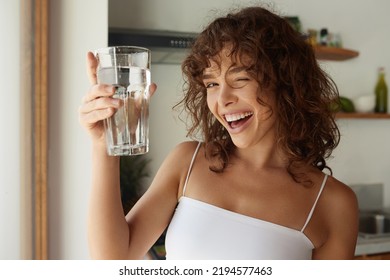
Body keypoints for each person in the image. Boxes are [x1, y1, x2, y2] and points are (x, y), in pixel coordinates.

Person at [79, 6, 358, 260]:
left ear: (287, 86)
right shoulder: (188, 161)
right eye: (211, 84)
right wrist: (105, 146)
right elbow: (112, 261)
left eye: (240, 80)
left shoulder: (334, 203)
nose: (222, 100)